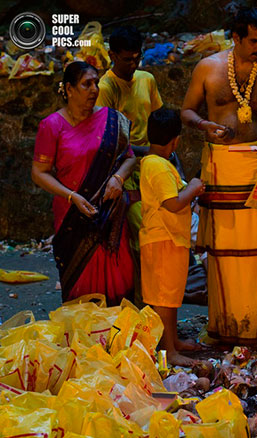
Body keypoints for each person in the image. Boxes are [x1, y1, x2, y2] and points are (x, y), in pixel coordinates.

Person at [181, 7, 257, 347]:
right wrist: (205, 125)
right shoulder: (208, 67)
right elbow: (186, 111)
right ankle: (227, 326)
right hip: (221, 165)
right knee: (224, 250)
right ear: (235, 37)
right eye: (253, 41)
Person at [32, 61, 135, 305]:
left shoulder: (111, 120)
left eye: (96, 83)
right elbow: (39, 172)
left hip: (110, 213)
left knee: (120, 274)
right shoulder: (52, 126)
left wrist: (118, 178)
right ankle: (84, 334)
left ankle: (119, 333)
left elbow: (129, 159)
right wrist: (71, 196)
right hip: (73, 214)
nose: (94, 89)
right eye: (86, 84)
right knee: (81, 278)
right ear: (68, 89)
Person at [96, 25, 165, 304]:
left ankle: (154, 301)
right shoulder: (105, 87)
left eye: (137, 58)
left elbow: (159, 122)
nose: (133, 64)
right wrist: (149, 151)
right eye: (127, 59)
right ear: (112, 55)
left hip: (152, 165)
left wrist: (164, 152)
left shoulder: (146, 79)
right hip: (124, 168)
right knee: (137, 237)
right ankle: (138, 302)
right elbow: (109, 140)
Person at [140, 108, 205, 366]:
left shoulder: (158, 164)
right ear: (175, 140)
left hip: (170, 240)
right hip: (162, 240)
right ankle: (169, 353)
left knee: (171, 297)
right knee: (163, 301)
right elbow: (173, 203)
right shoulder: (157, 166)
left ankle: (173, 341)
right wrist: (194, 187)